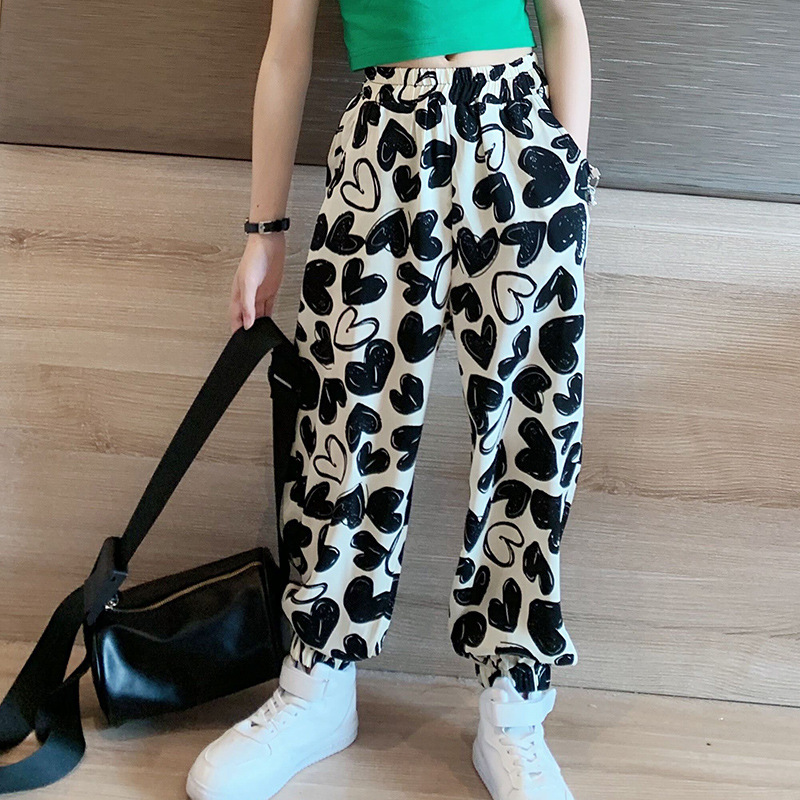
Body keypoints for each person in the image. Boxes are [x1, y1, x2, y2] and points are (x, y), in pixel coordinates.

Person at [188, 1, 599, 799]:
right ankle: (317, 683)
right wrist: (263, 231)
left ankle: (515, 707)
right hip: (383, 142)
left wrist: (570, 183)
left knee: (533, 430)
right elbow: (286, 51)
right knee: (343, 420)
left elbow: (562, 17)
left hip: (520, 136)